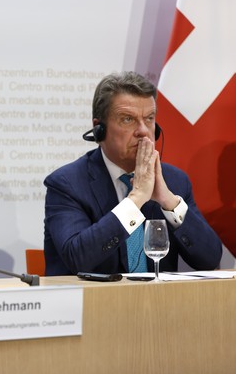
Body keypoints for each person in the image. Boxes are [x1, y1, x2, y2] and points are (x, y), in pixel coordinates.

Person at [43, 71, 222, 276]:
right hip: (91, 305)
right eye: (128, 119)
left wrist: (168, 201)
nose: (143, 131)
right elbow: (77, 258)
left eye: (149, 119)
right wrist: (135, 199)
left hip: (158, 305)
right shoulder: (67, 184)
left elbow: (210, 259)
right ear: (99, 129)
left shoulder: (174, 181)